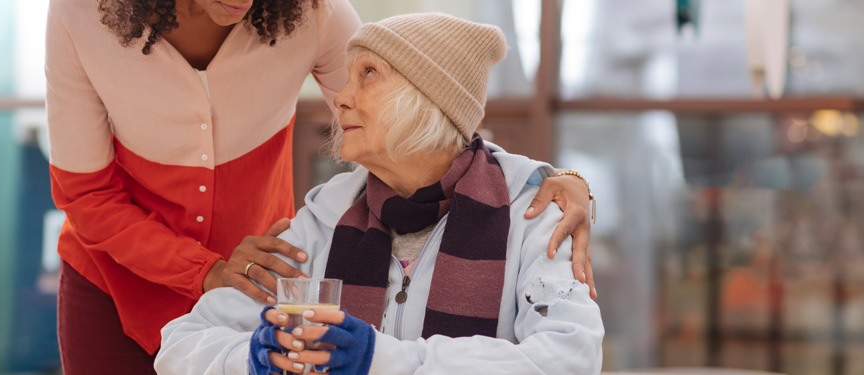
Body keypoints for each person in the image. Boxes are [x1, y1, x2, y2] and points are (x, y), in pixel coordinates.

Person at [46, 0, 597, 372]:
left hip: (253, 260)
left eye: (366, 80)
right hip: (119, 276)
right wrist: (251, 358)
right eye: (348, 80)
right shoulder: (324, 222)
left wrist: (553, 179)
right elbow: (86, 196)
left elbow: (438, 116)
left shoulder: (527, 218)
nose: (339, 100)